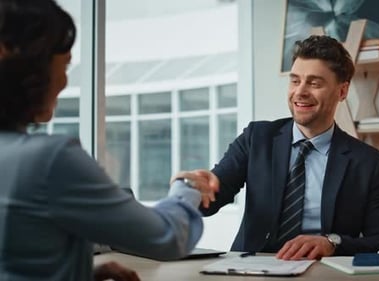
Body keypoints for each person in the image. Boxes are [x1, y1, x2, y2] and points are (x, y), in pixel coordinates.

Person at [0, 0, 217, 280]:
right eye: (64, 66)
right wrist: (186, 188)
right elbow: (167, 237)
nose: (65, 82)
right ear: (35, 71)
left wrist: (79, 271)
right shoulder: (49, 160)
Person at [193, 35, 379, 260]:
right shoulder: (257, 138)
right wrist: (190, 190)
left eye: (314, 83)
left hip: (321, 273)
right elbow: (209, 199)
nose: (300, 92)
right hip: (249, 269)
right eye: (295, 81)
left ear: (342, 92)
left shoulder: (368, 162)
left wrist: (332, 243)